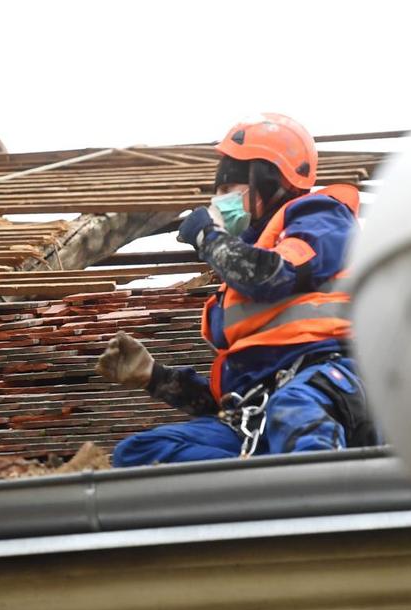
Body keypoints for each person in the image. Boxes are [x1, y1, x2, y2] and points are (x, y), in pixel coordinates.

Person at [96, 113, 376, 466]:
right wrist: (155, 377)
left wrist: (208, 236)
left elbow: (273, 274)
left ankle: (325, 503)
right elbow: (227, 400)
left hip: (329, 388)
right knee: (140, 453)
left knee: (293, 410)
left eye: (229, 189)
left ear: (267, 179)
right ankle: (254, 505)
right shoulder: (239, 275)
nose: (220, 199)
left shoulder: (318, 216)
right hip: (262, 416)